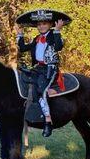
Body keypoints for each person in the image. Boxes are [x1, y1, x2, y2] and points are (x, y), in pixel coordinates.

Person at [16, 9, 69, 137]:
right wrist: (20, 35)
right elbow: (23, 48)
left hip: (50, 69)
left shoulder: (53, 35)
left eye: (44, 23)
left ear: (50, 24)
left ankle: (48, 120)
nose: (41, 26)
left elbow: (58, 47)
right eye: (39, 24)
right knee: (24, 82)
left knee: (41, 89)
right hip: (38, 68)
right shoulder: (37, 38)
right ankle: (26, 114)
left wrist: (57, 30)